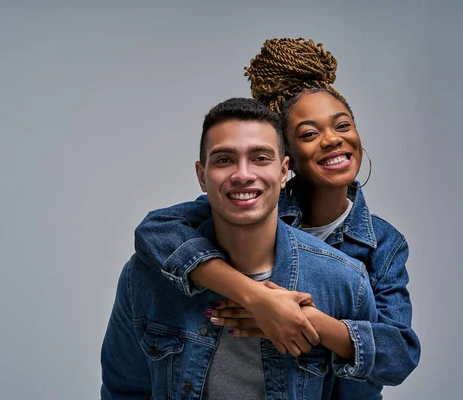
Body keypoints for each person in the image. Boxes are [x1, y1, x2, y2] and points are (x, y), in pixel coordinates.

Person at [134, 38, 421, 398]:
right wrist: (258, 298)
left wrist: (302, 321)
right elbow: (154, 230)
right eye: (310, 134)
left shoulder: (383, 245)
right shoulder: (255, 207)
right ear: (287, 161)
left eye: (343, 125)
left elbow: (398, 356)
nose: (332, 140)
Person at [100, 97, 376, 399]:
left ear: (284, 172)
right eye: (223, 160)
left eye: (260, 158)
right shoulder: (144, 277)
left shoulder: (345, 283)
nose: (243, 174)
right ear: (202, 176)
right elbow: (123, 392)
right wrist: (256, 298)